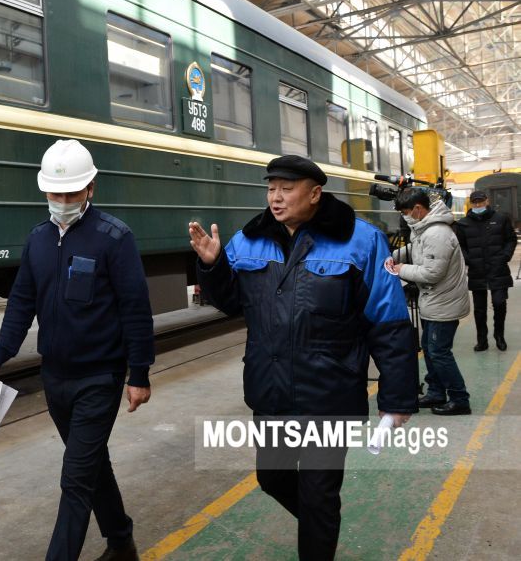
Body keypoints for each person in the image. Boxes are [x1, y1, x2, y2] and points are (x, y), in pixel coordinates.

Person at [188, 155, 418, 561]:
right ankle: (319, 521)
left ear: (314, 194)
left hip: (330, 396)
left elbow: (389, 322)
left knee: (319, 494)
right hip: (271, 393)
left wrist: (397, 397)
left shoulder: (361, 241)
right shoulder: (249, 240)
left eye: (286, 188)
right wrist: (213, 267)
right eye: (271, 188)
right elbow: (231, 302)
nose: (275, 197)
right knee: (272, 478)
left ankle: (318, 525)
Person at [0, 139, 154, 561]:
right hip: (55, 377)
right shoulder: (38, 240)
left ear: (91, 188)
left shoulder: (114, 238)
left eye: (71, 193)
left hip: (99, 378)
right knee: (91, 464)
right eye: (55, 193)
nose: (62, 202)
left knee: (75, 480)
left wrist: (139, 374)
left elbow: (135, 309)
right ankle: (121, 542)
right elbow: (22, 303)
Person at [391, 188, 472, 415]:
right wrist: (394, 256)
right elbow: (417, 248)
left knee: (439, 352)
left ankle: (460, 399)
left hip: (443, 303)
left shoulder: (437, 233)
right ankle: (436, 392)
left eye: (406, 212)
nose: (405, 217)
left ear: (418, 209)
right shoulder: (424, 228)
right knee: (429, 348)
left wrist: (400, 269)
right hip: (434, 301)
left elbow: (432, 273)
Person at [454, 190, 517, 352]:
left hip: (498, 269)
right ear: (471, 203)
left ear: (487, 201)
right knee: (479, 309)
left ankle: (499, 335)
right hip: (477, 270)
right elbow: (460, 246)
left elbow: (511, 239)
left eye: (480, 201)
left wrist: (505, 256)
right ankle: (482, 340)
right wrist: (468, 260)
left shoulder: (501, 219)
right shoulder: (463, 224)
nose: (478, 205)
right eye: (475, 202)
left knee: (499, 303)